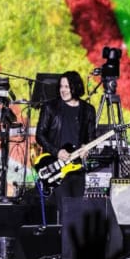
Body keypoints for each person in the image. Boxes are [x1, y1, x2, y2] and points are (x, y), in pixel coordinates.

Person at [34, 71, 97, 220]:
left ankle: (74, 242)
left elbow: (91, 138)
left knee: (77, 212)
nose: (63, 90)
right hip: (57, 167)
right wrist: (57, 152)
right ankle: (64, 241)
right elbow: (40, 135)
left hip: (77, 168)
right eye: (61, 86)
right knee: (65, 212)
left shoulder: (88, 110)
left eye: (67, 86)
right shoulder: (50, 107)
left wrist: (86, 148)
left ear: (75, 87)